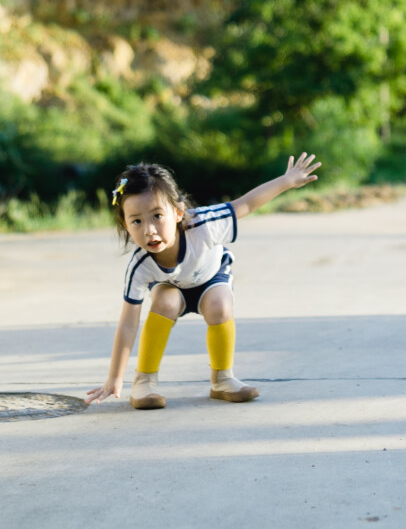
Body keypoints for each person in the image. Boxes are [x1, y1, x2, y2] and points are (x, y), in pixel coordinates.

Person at [86, 152, 321, 409]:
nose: (149, 230)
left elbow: (246, 204)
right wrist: (114, 378)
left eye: (157, 216)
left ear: (177, 212)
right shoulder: (140, 265)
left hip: (210, 279)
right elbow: (128, 323)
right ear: (126, 225)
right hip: (173, 287)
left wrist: (287, 181)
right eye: (137, 221)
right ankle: (144, 381)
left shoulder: (205, 225)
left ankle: (222, 379)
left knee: (219, 305)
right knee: (164, 300)